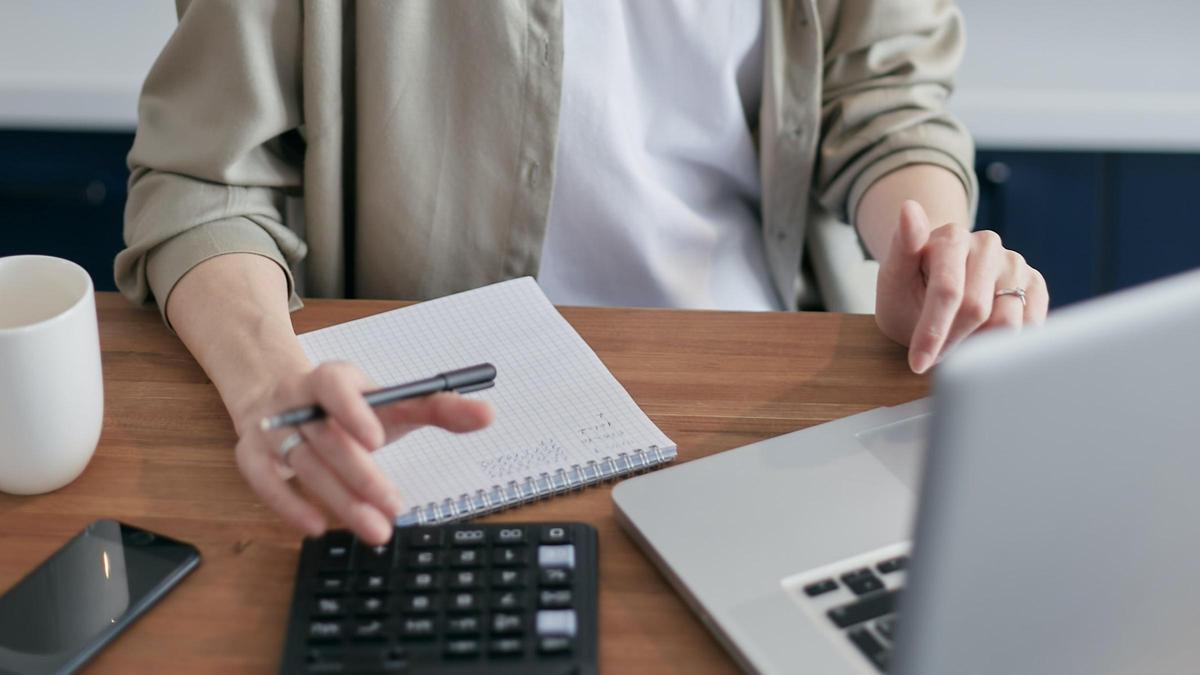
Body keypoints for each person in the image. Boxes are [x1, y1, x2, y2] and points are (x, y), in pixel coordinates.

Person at [115, 1, 1048, 545]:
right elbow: (203, 177)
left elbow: (885, 98)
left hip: (760, 397)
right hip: (424, 436)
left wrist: (927, 249)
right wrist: (270, 381)